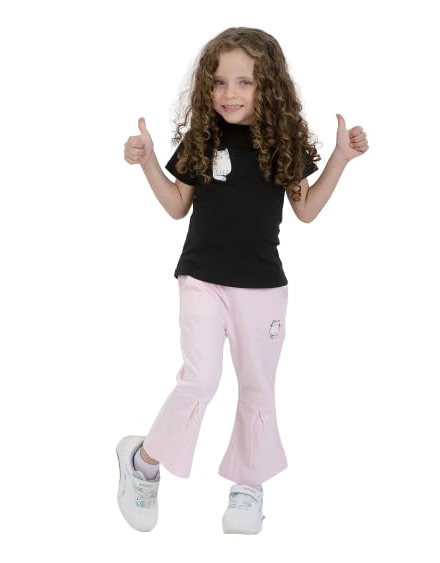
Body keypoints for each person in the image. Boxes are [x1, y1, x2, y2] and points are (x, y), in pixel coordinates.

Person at [117, 26, 369, 535]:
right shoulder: (202, 137)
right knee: (200, 379)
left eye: (244, 82)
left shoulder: (282, 142)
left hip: (263, 288)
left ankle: (248, 485)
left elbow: (306, 210)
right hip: (202, 280)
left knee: (257, 387)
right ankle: (142, 463)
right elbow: (176, 206)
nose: (229, 93)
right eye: (219, 82)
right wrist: (147, 163)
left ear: (268, 85)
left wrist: (340, 159)